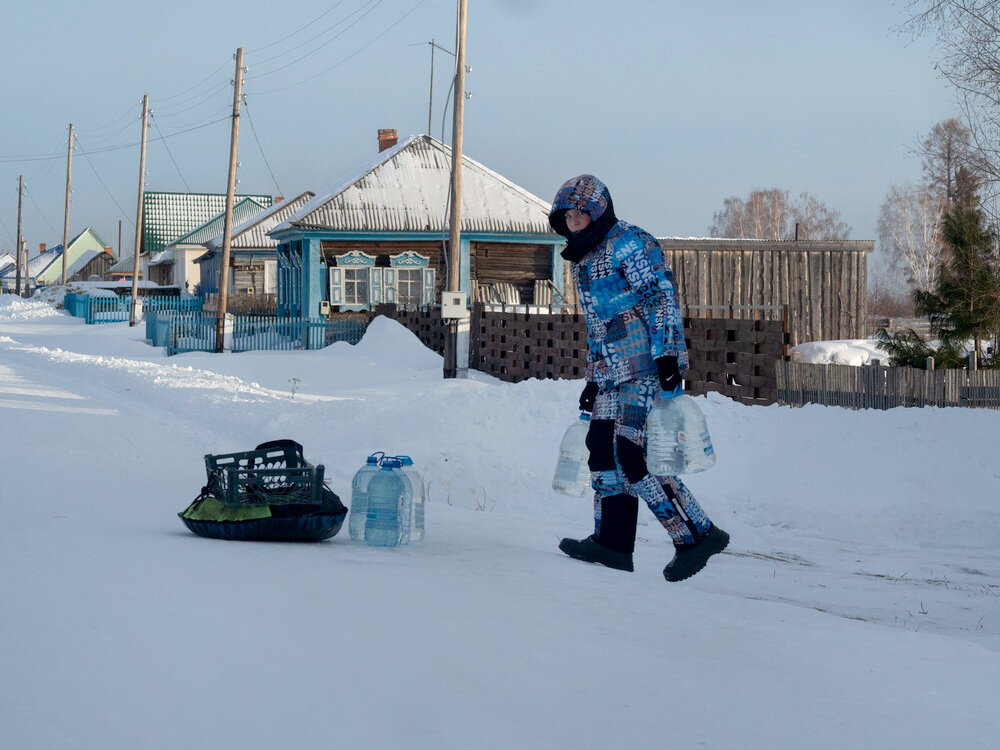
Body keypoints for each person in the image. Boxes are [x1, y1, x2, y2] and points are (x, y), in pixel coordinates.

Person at [548, 174, 729, 582]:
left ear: (598, 212)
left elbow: (660, 296)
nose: (574, 221)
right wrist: (594, 378)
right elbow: (598, 326)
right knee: (600, 446)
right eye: (567, 216)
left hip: (646, 367)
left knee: (634, 454)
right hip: (612, 373)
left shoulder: (631, 243)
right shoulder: (583, 260)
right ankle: (612, 543)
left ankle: (696, 534)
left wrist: (667, 355)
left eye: (581, 214)